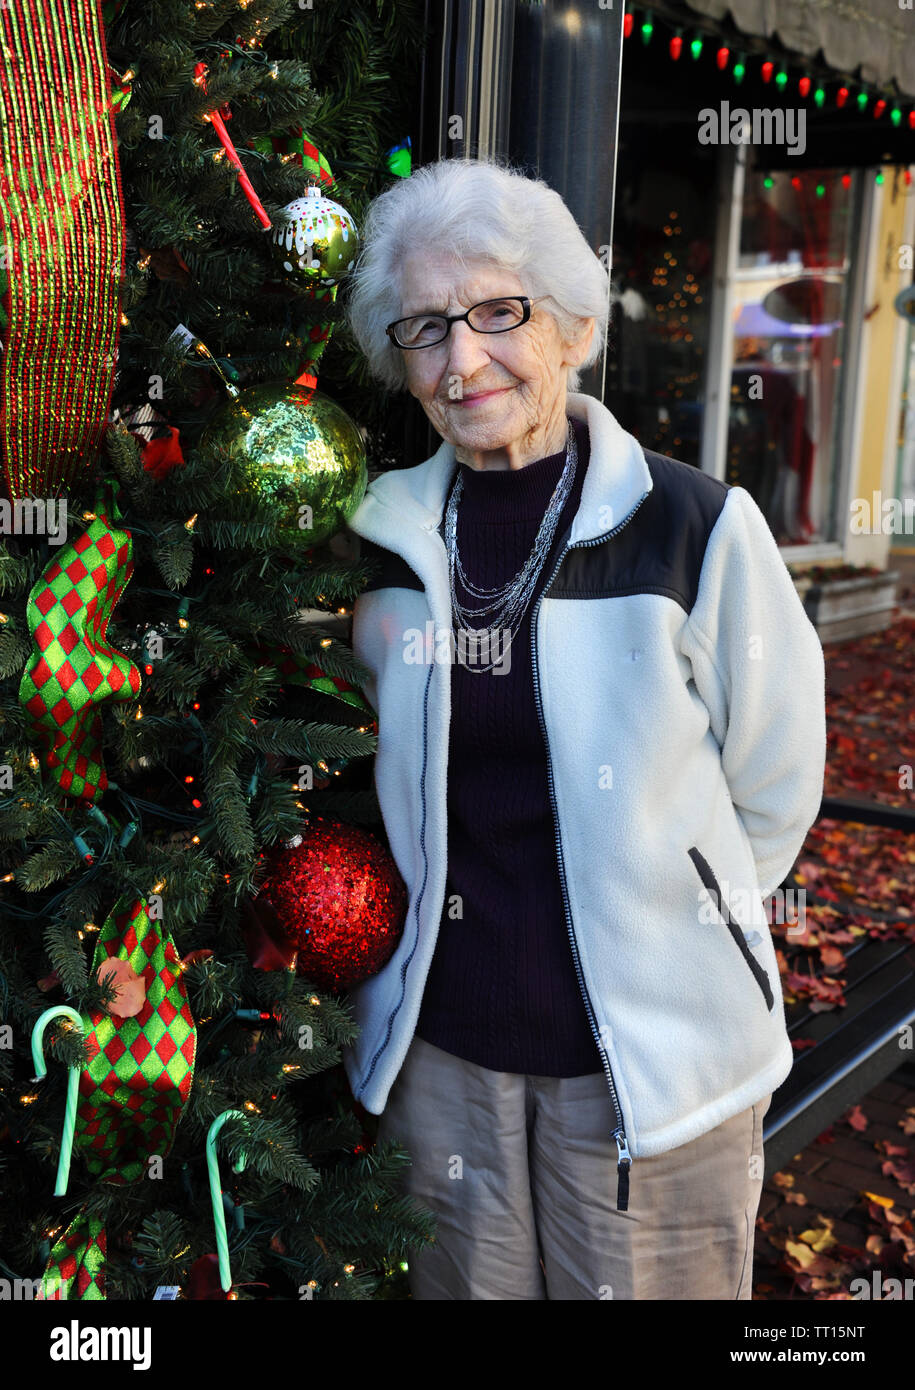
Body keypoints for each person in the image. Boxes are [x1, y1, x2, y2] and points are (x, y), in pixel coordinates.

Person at [339, 156, 826, 1300]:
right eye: (423, 328)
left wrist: (672, 927)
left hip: (654, 1070)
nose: (462, 361)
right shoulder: (383, 539)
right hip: (445, 1053)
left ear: (565, 326)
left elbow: (776, 782)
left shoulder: (694, 525)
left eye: (496, 313)